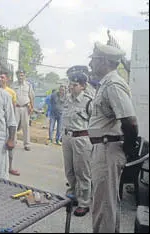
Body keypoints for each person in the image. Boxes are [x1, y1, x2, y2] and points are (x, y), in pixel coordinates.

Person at [88, 42, 138, 233]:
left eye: (94, 59)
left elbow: (130, 122)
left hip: (109, 148)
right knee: (106, 203)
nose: (91, 64)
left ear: (104, 62)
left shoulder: (113, 84)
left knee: (104, 205)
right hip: (104, 147)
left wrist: (128, 149)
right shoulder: (105, 84)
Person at [62, 66, 94, 217]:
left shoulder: (89, 102)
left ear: (83, 86)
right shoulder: (68, 99)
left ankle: (84, 203)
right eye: (70, 84)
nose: (71, 87)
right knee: (69, 170)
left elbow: (96, 122)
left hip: (82, 138)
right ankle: (73, 195)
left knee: (83, 172)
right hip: (67, 137)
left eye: (75, 85)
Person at [0, 71, 20, 176]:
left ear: (7, 79)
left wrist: (14, 125)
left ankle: (10, 167)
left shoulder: (11, 92)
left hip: (9, 124)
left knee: (10, 146)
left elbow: (14, 110)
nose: (0, 79)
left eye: (2, 77)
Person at [11, 70, 34, 151]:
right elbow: (11, 96)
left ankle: (27, 144)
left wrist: (32, 107)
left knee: (26, 126)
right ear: (17, 76)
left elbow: (31, 96)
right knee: (14, 125)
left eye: (22, 75)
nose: (20, 77)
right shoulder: (13, 85)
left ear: (24, 76)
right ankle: (13, 142)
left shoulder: (28, 85)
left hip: (25, 107)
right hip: (16, 108)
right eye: (19, 75)